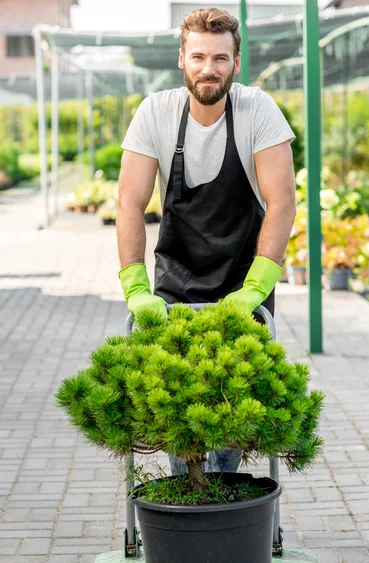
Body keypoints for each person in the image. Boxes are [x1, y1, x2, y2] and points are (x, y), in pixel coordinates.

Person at [117, 6, 296, 474]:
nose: (208, 69)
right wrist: (136, 286)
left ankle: (222, 490)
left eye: (220, 58)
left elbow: (282, 204)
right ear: (182, 59)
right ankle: (189, 488)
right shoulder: (155, 113)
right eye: (198, 56)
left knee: (233, 423)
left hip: (243, 281)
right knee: (180, 417)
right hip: (176, 284)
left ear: (236, 63)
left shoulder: (259, 111)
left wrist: (256, 289)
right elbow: (130, 204)